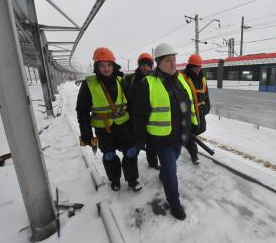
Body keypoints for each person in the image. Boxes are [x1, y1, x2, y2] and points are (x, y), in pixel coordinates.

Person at [131, 43, 198, 220]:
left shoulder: (181, 79)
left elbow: (189, 103)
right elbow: (138, 116)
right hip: (162, 139)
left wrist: (194, 123)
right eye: (168, 60)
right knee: (171, 172)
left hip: (180, 137)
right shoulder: (148, 84)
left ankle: (163, 175)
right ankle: (175, 205)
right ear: (158, 63)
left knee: (172, 163)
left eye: (174, 59)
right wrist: (140, 140)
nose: (173, 63)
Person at [76, 47, 142, 192]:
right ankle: (115, 180)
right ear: (96, 66)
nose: (106, 68)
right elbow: (82, 110)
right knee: (109, 155)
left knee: (131, 151)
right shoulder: (89, 84)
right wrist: (86, 132)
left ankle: (132, 179)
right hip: (103, 129)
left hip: (124, 126)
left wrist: (136, 127)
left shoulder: (121, 81)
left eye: (109, 65)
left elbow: (132, 105)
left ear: (113, 66)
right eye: (102, 65)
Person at [125, 53, 160, 170]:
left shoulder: (156, 79)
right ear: (139, 66)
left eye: (148, 65)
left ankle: (153, 162)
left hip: (151, 118)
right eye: (143, 65)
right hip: (135, 120)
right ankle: (132, 175)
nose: (146, 68)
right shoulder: (130, 79)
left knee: (152, 143)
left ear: (152, 66)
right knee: (136, 145)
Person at [180, 54, 210, 165]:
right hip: (189, 113)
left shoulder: (202, 78)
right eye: (195, 67)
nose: (198, 69)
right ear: (190, 66)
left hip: (200, 111)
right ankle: (194, 155)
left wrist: (207, 106)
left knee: (199, 129)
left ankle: (186, 142)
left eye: (199, 67)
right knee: (190, 133)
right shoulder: (184, 78)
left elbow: (206, 93)